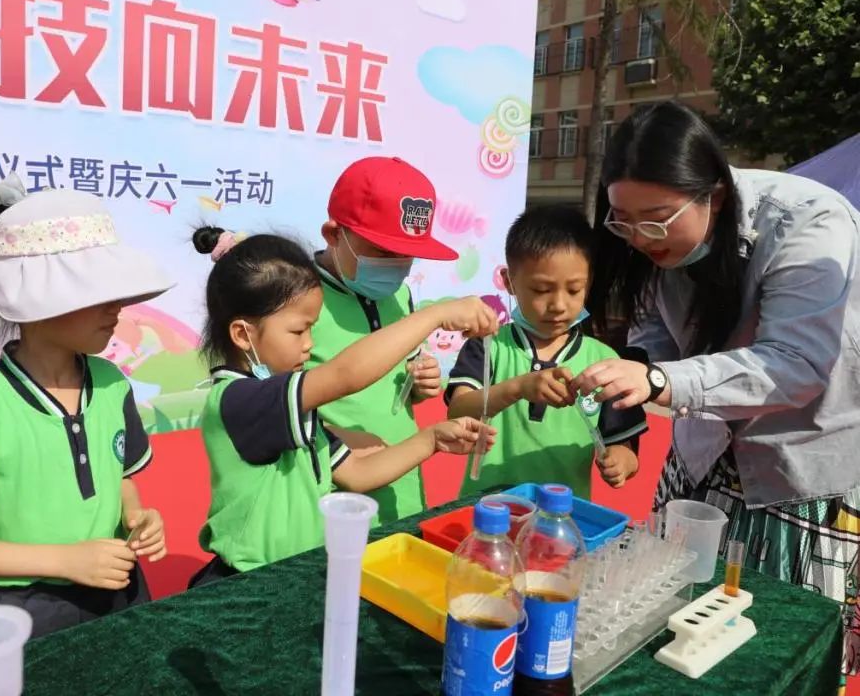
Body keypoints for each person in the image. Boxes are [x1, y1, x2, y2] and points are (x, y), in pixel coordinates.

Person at [574, 100, 860, 687]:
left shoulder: (810, 223)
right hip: (701, 455)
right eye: (622, 221)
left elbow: (797, 365)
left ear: (716, 197)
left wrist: (660, 382)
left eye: (656, 220)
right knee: (670, 623)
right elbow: (653, 334)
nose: (639, 238)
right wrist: (626, 373)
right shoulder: (647, 241)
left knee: (778, 647)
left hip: (797, 470)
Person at [0, 174, 175, 638]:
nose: (116, 308)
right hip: (25, 613)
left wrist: (137, 516)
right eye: (97, 291)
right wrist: (64, 561)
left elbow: (121, 478)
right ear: (34, 297)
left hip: (118, 590)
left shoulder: (113, 384)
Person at [188, 227, 498, 586]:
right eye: (298, 331)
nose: (309, 344)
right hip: (246, 582)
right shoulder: (241, 401)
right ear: (243, 334)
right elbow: (345, 374)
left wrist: (432, 439)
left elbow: (356, 474)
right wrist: (436, 316)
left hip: (293, 576)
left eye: (312, 330)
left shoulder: (289, 407)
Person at [446, 206, 647, 500]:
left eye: (574, 290)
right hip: (489, 509)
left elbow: (624, 443)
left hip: (562, 514)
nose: (558, 305)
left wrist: (621, 461)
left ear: (589, 282)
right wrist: (518, 387)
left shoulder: (605, 362)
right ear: (509, 281)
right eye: (541, 290)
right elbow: (458, 411)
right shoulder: (489, 345)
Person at [308, 156, 460, 525]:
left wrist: (419, 384)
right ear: (333, 235)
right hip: (334, 502)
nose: (396, 266)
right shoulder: (299, 302)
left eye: (407, 255)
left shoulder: (400, 296)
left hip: (403, 491)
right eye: (383, 253)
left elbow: (399, 382)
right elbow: (280, 404)